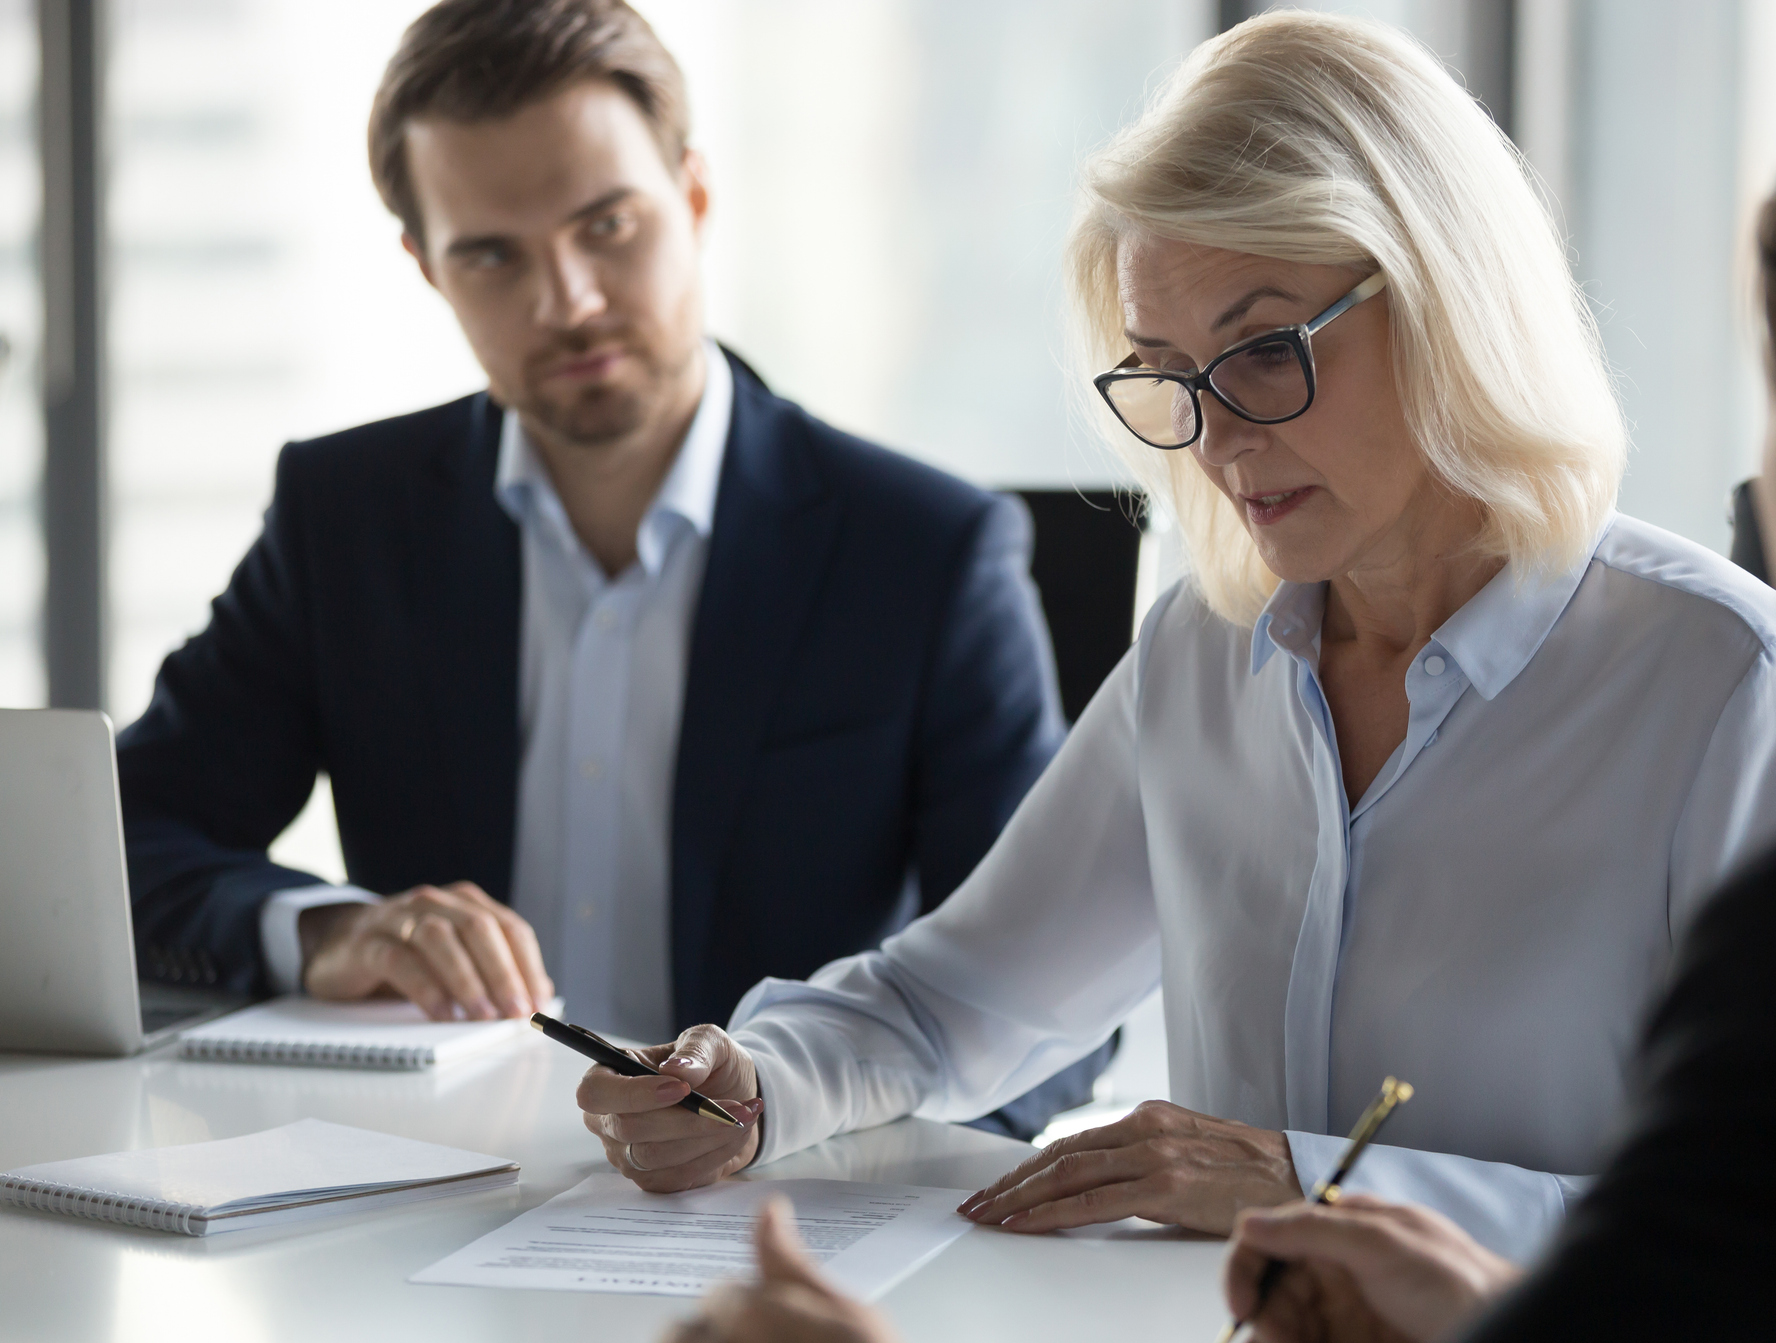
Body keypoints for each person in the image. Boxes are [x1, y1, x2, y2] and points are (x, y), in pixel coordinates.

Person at [608, 41, 1776, 1343]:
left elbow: (1764, 1242)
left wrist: (1316, 1187)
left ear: (1444, 300)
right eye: (1171, 376)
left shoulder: (1714, 676)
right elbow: (955, 999)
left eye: (1267, 349)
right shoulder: (1205, 650)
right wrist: (755, 1082)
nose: (1218, 434)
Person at [114, 0, 1111, 1140]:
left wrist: (839, 1152)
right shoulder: (347, 518)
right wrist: (325, 933)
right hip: (428, 1202)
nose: (567, 300)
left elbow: (1051, 1012)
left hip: (787, 1208)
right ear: (427, 267)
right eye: (493, 254)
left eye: (608, 226)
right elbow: (112, 855)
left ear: (693, 196)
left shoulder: (925, 550)